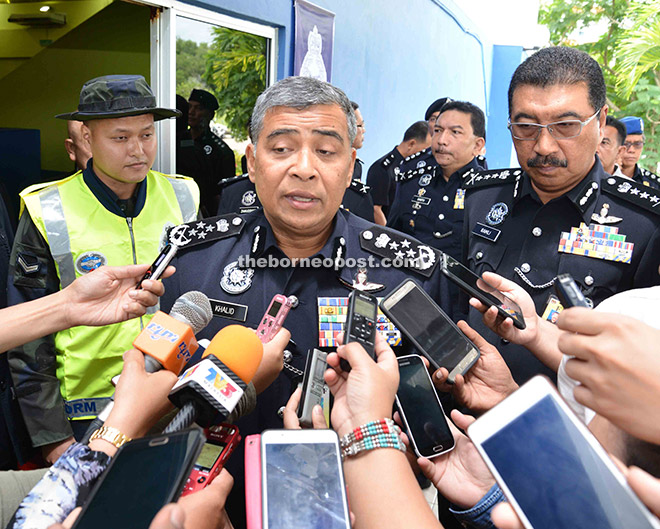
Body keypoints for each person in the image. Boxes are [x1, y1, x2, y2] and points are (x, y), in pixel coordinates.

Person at [161, 75, 452, 526]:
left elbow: (430, 410)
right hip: (215, 505)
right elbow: (162, 401)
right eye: (281, 149)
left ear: (351, 164)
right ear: (252, 161)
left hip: (362, 507)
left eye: (326, 150)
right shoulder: (191, 263)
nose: (304, 167)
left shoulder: (408, 270)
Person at [7, 74, 200, 465]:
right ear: (87, 139)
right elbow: (26, 339)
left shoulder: (183, 196)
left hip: (171, 400)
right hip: (82, 415)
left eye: (147, 134)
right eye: (120, 137)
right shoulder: (48, 210)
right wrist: (53, 439)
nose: (138, 150)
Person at [461, 46, 660, 385]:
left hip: (578, 430)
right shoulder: (482, 198)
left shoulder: (644, 224)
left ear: (600, 122)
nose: (543, 146)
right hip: (467, 419)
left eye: (565, 126)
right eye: (525, 126)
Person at [389, 101, 487, 261]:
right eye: (437, 130)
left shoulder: (487, 192)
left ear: (477, 145)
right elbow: (391, 236)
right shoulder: (412, 180)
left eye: (455, 132)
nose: (442, 140)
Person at [366, 120, 431, 225]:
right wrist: (390, 235)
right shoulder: (383, 168)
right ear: (411, 144)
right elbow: (376, 209)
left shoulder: (416, 170)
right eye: (424, 150)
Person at [187, 89, 237, 215]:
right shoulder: (175, 142)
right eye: (189, 107)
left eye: (198, 108)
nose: (191, 112)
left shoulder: (220, 151)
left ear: (210, 115)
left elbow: (223, 195)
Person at [619, 116, 660, 189]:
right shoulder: (599, 178)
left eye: (637, 144)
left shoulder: (654, 184)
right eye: (625, 144)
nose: (631, 150)